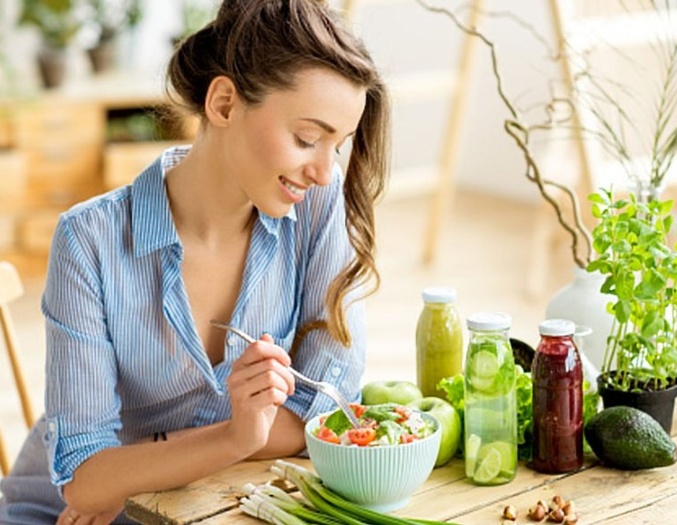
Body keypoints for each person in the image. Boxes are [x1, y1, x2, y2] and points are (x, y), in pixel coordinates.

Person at [0, 0, 390, 523]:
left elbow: (326, 413)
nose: (323, 170)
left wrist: (157, 453)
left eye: (337, 146)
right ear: (225, 104)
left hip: (210, 503)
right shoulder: (89, 240)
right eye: (306, 139)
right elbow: (86, 485)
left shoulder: (319, 204)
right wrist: (235, 434)